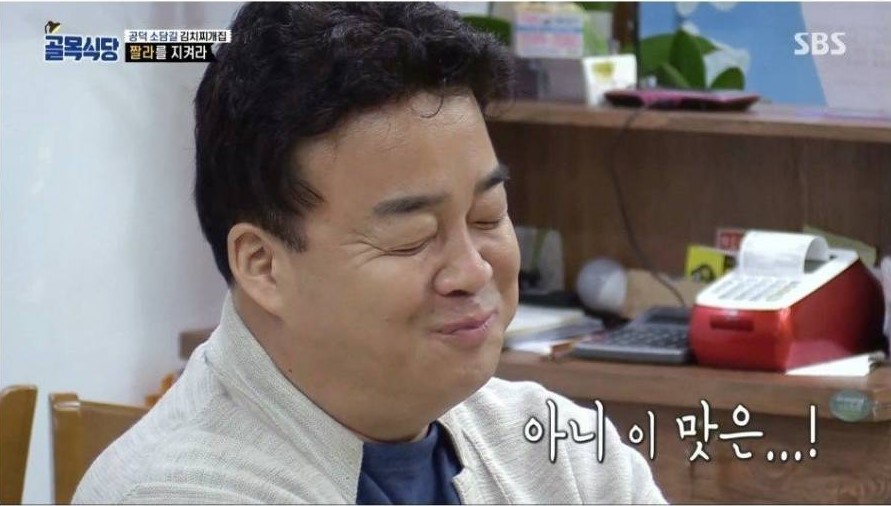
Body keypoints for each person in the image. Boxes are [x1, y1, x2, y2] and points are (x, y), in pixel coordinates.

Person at [74, 3, 666, 504]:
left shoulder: (566, 452)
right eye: (412, 238)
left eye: (488, 216)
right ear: (262, 265)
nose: (473, 269)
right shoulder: (178, 491)